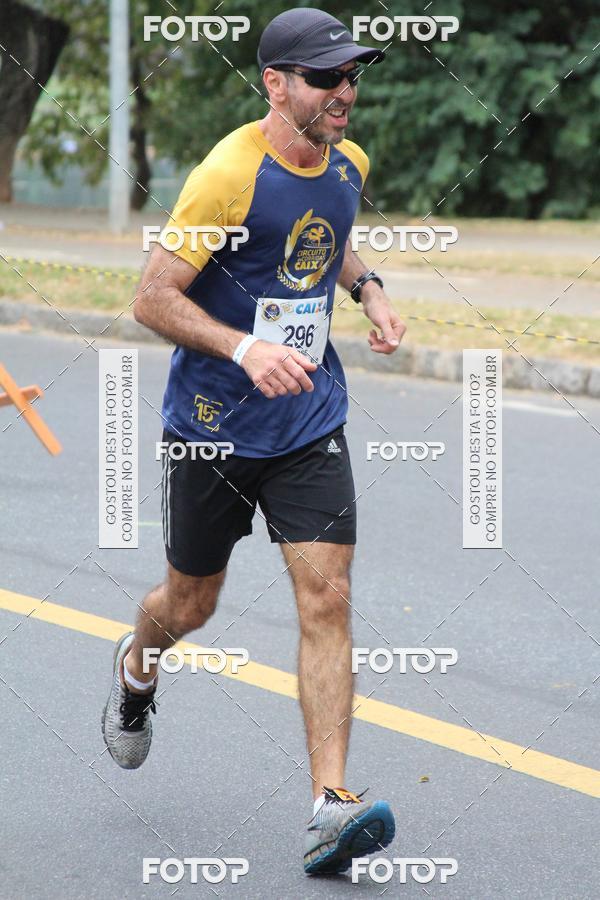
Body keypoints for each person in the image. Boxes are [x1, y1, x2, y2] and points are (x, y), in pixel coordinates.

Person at [101, 7, 406, 875]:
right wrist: (242, 346)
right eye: (324, 78)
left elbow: (328, 236)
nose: (344, 92)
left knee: (329, 596)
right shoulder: (227, 175)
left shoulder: (347, 161)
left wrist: (371, 289)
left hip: (309, 418)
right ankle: (136, 667)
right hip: (212, 427)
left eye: (351, 75)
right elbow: (152, 297)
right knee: (187, 605)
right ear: (276, 84)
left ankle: (329, 806)